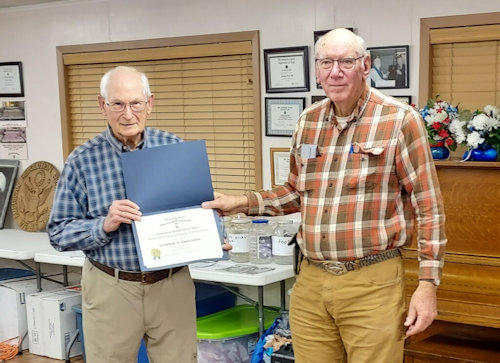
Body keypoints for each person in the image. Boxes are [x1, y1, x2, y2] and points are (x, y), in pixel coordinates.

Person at [202, 28, 446, 363]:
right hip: (311, 281)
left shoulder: (400, 120)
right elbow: (294, 192)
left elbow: (429, 207)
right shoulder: (308, 122)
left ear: (365, 65)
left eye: (346, 62)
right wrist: (241, 203)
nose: (336, 71)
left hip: (372, 282)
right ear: (317, 70)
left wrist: (428, 285)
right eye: (327, 62)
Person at [48, 66, 224, 363]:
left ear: (150, 104)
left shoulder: (174, 148)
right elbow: (58, 233)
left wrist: (216, 236)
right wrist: (104, 224)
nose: (127, 114)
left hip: (171, 285)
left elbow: (197, 208)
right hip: (112, 287)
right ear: (103, 106)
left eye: (135, 103)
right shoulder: (82, 160)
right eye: (117, 104)